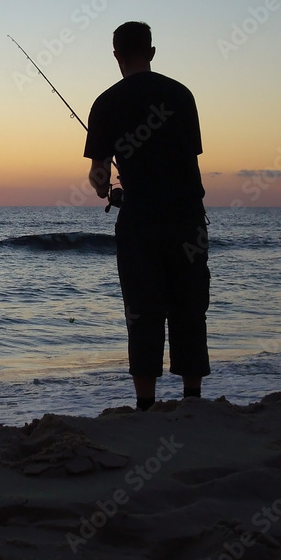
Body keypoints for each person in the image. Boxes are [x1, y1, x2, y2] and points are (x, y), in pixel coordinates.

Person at [83, 21, 210, 408]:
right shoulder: (181, 95)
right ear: (151, 52)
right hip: (187, 216)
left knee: (142, 310)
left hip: (139, 221)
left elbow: (100, 175)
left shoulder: (106, 102)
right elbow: (189, 155)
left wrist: (104, 186)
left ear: (116, 54)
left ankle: (146, 403)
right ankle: (192, 397)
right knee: (190, 306)